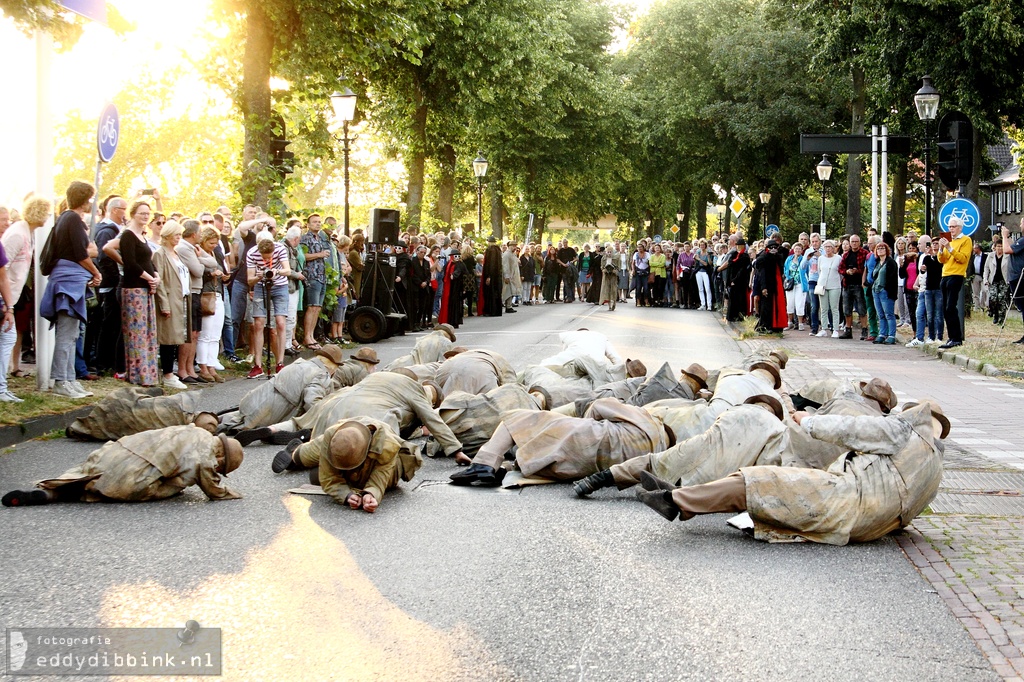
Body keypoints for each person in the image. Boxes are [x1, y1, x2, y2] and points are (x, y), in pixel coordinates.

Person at [635, 401, 948, 546]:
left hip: (844, 495)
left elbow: (853, 429)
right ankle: (681, 495)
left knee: (757, 481)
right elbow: (904, 521)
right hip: (865, 528)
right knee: (778, 500)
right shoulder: (934, 474)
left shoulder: (906, 431)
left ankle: (676, 500)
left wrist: (807, 422)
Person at [449, 398, 672, 486]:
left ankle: (484, 463)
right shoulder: (659, 450)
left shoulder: (649, 418)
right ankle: (509, 466)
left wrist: (580, 425)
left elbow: (599, 406)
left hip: (596, 436)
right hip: (598, 466)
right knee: (554, 458)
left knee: (517, 418)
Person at [2, 425, 244, 507]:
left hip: (112, 453)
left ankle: (49, 491)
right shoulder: (205, 452)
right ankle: (63, 493)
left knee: (83, 476)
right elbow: (206, 476)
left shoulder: (190, 431)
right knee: (177, 486)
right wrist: (226, 493)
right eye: (221, 467)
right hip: (131, 477)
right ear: (221, 456)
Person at [271, 417, 422, 513]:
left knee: (321, 476)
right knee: (306, 461)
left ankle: (338, 472)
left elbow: (380, 478)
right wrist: (347, 495)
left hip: (382, 457)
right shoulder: (332, 435)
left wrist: (370, 494)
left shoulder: (387, 445)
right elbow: (329, 478)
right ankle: (295, 451)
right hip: (344, 433)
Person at [41, 181, 102, 398]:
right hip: (68, 282)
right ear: (85, 199)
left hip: (70, 280)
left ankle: (69, 379)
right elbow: (81, 253)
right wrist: (96, 272)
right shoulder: (73, 219)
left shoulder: (67, 218)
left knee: (73, 333)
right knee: (67, 334)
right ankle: (61, 381)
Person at [219, 344, 345, 434]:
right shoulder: (321, 374)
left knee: (230, 419)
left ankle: (205, 420)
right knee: (235, 425)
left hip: (255, 399)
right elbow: (312, 402)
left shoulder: (300, 362)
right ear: (333, 366)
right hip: (269, 411)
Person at [3, 195, 49, 383]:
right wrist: (6, 300)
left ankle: (8, 373)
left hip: (17, 290)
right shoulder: (16, 233)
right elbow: (3, 267)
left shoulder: (28, 232)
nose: (48, 216)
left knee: (12, 334)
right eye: (46, 212)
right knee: (7, 335)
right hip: (8, 291)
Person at [65, 386, 216, 441]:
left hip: (117, 407)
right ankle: (80, 428)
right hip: (116, 414)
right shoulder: (173, 433)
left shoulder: (177, 407)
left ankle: (80, 428)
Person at [152, 221, 190, 390]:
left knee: (177, 336)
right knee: (168, 337)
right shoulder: (160, 254)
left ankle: (171, 372)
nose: (178, 238)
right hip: (170, 298)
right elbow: (159, 280)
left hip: (182, 298)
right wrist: (163, 303)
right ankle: (167, 373)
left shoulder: (176, 253)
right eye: (176, 235)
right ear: (167, 235)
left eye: (180, 235)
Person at [247, 235, 291, 377]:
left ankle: (280, 362)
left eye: (269, 257)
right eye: (263, 258)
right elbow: (250, 280)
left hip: (280, 286)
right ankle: (258, 365)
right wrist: (259, 276)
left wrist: (276, 271)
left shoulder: (280, 249)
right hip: (261, 287)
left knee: (280, 323)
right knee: (259, 324)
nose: (266, 261)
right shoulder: (252, 253)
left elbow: (288, 270)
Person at [197, 226, 229, 382]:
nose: (214, 245)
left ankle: (211, 365)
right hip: (205, 294)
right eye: (211, 243)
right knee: (205, 334)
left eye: (216, 243)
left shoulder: (216, 253)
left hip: (218, 293)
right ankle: (202, 366)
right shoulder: (198, 253)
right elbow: (196, 272)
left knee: (216, 334)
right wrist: (210, 274)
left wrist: (224, 276)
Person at [936, 216, 972, 348]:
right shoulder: (949, 240)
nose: (951, 229)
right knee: (945, 308)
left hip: (956, 274)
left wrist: (949, 248)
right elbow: (942, 259)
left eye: (953, 227)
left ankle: (956, 337)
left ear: (960, 227)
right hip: (945, 274)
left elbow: (962, 258)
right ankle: (951, 337)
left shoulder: (965, 240)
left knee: (951, 307)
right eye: (949, 227)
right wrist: (941, 248)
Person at [299, 214, 331, 348]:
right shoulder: (305, 238)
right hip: (312, 275)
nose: (317, 224)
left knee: (317, 308)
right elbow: (302, 255)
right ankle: (307, 337)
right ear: (308, 224)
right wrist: (319, 254)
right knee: (311, 306)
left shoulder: (321, 238)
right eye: (314, 222)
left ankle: (311, 336)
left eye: (319, 222)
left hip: (322, 275)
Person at [839, 234, 869, 339]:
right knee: (847, 309)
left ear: (859, 242)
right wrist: (846, 271)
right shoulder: (846, 255)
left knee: (861, 308)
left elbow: (867, 268)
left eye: (856, 241)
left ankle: (864, 329)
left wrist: (857, 271)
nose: (854, 243)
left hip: (859, 284)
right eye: (852, 242)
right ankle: (848, 329)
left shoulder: (865, 254)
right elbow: (840, 268)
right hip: (847, 284)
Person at [754, 240, 787, 333]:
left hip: (777, 285)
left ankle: (776, 326)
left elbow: (785, 251)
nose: (773, 249)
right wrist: (764, 287)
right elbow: (762, 274)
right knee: (766, 307)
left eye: (775, 247)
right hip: (767, 285)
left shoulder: (778, 258)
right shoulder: (763, 258)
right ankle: (765, 326)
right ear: (767, 248)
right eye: (771, 247)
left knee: (777, 305)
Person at [870, 240, 899, 344]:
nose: (880, 250)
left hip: (886, 291)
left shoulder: (891, 262)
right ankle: (882, 334)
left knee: (889, 314)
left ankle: (891, 335)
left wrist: (886, 290)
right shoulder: (878, 263)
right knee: (880, 314)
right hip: (876, 290)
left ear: (886, 250)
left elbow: (892, 278)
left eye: (882, 248)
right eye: (878, 248)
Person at [815, 239, 842, 337]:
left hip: (835, 285)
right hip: (822, 285)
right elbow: (819, 271)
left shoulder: (838, 258)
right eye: (826, 247)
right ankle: (823, 328)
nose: (828, 249)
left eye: (830, 247)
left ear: (833, 248)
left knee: (834, 308)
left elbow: (840, 272)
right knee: (823, 308)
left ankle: (835, 329)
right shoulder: (821, 258)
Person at [1002, 224, 1024, 344]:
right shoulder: (1020, 241)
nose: (1020, 225)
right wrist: (1008, 236)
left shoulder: (1023, 240)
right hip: (1015, 277)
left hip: (1019, 278)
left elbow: (1007, 250)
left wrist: (1004, 237)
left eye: (1021, 223)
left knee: (1022, 306)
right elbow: (1012, 247)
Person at [800, 233, 822, 335]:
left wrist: (820, 256)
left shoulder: (824, 250)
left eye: (816, 241)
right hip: (812, 280)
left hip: (822, 280)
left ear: (820, 242)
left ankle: (828, 326)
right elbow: (802, 267)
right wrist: (807, 258)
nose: (814, 244)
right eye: (812, 242)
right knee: (813, 305)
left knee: (825, 305)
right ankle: (814, 327)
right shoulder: (808, 251)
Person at [724, 239, 751, 322]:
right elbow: (729, 265)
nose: (738, 247)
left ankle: (740, 316)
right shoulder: (733, 255)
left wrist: (735, 280)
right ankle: (732, 315)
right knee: (732, 298)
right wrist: (729, 280)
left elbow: (742, 270)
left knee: (740, 298)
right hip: (732, 278)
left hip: (740, 281)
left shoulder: (745, 256)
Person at [480, 237, 504, 316]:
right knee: (496, 293)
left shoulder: (491, 250)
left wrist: (489, 276)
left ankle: (491, 311)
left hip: (492, 276)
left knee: (491, 293)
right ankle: (497, 310)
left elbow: (491, 264)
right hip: (497, 276)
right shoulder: (498, 250)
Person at [502, 241, 522, 313]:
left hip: (513, 276)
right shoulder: (506, 255)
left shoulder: (513, 254)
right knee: (507, 291)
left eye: (515, 246)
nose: (515, 247)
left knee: (511, 291)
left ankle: (509, 305)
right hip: (508, 276)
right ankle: (507, 305)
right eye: (513, 246)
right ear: (509, 246)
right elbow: (505, 265)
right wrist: (506, 276)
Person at [632, 242, 651, 307]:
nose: (639, 249)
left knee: (646, 287)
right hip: (638, 272)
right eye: (638, 247)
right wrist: (633, 270)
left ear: (643, 248)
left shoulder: (647, 254)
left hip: (645, 272)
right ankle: (638, 301)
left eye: (641, 247)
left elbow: (649, 262)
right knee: (638, 287)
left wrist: (650, 271)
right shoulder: (636, 254)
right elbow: (633, 263)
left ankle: (646, 301)